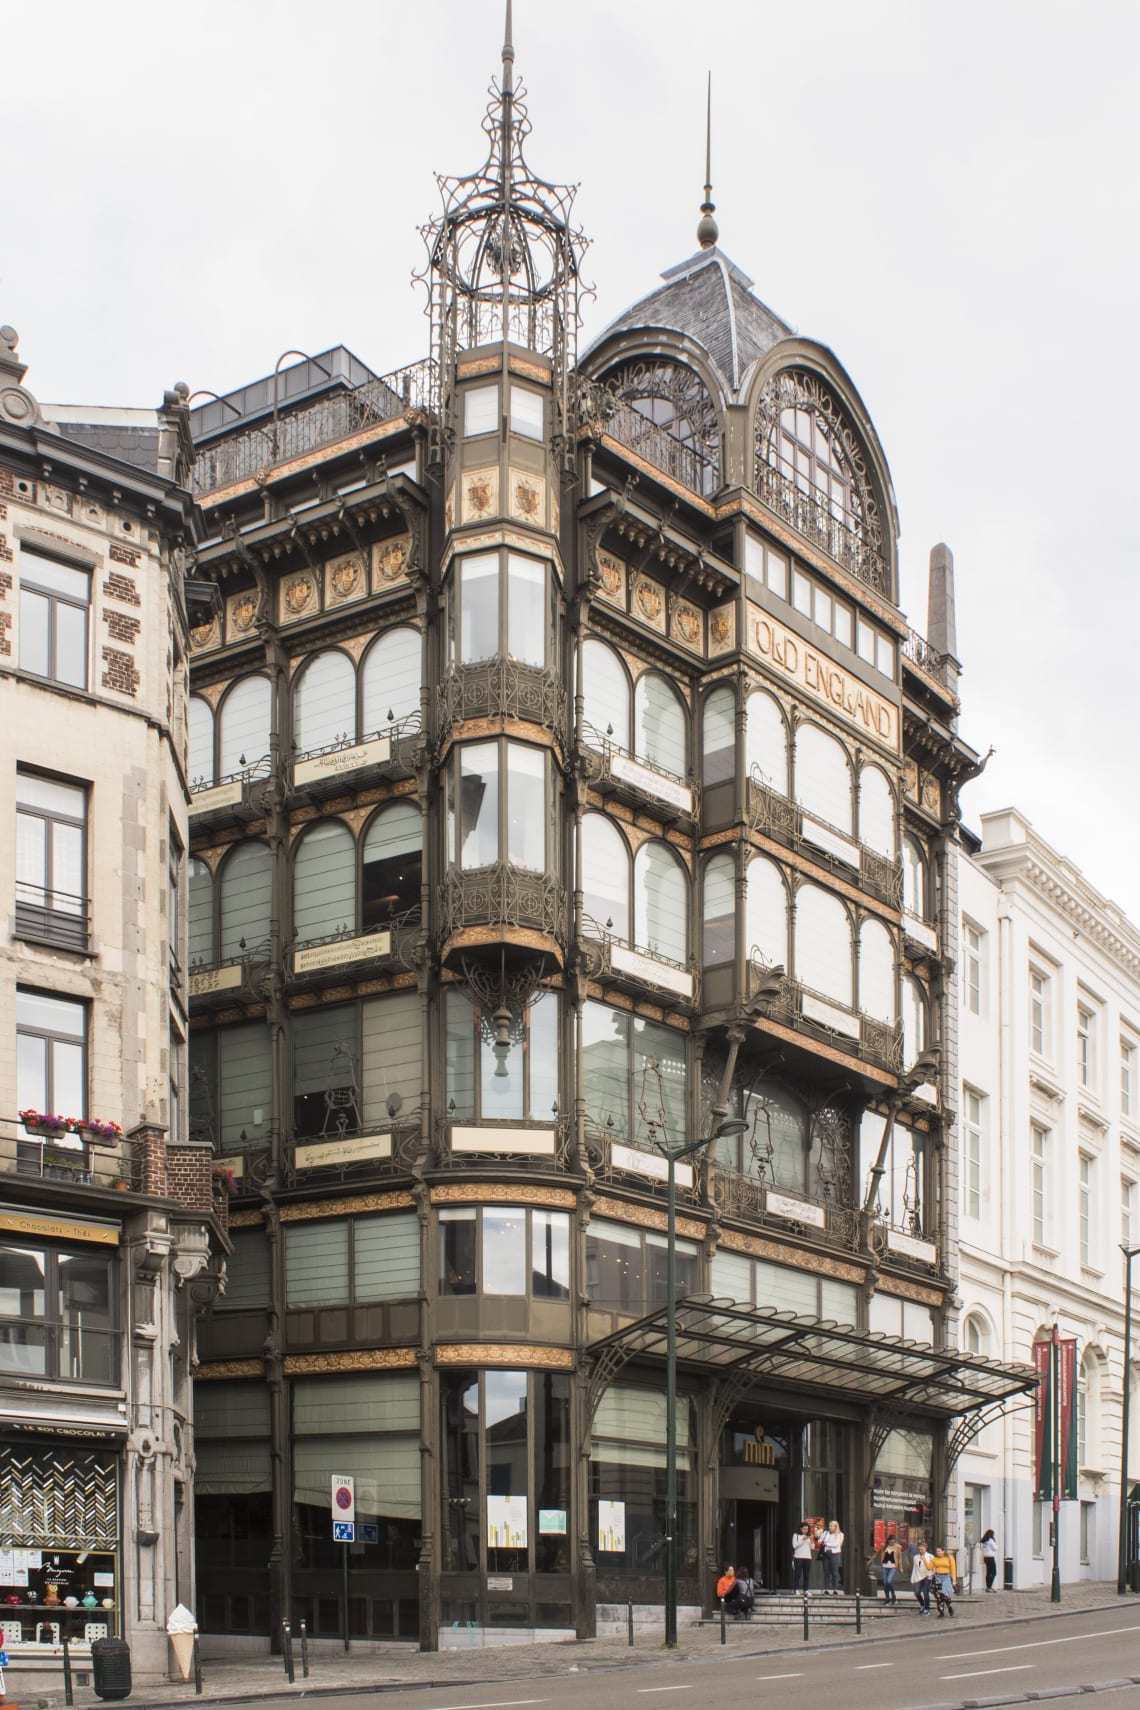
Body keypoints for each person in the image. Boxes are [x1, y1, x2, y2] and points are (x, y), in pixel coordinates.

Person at [930, 1543, 956, 1616]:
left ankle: (949, 1606)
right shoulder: (935, 1559)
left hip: (946, 1577)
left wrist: (954, 1580)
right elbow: (929, 1567)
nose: (938, 1552)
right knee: (938, 1595)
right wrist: (924, 1560)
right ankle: (941, 1611)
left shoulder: (949, 1558)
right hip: (937, 1577)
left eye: (939, 1551)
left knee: (945, 1594)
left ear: (943, 1551)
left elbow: (953, 1570)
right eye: (937, 1551)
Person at [821, 1519, 844, 1595]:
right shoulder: (826, 1533)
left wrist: (826, 1544)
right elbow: (820, 1541)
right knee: (826, 1572)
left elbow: (836, 1544)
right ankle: (826, 1589)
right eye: (829, 1526)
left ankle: (835, 1589)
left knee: (834, 1571)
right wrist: (820, 1536)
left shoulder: (840, 1534)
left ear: (836, 1527)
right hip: (826, 1553)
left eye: (832, 1526)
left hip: (835, 1554)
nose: (830, 1527)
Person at [911, 1539, 933, 1614]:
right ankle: (922, 1604)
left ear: (925, 1548)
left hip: (927, 1576)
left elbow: (932, 1568)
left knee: (925, 1592)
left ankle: (927, 1607)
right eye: (919, 1549)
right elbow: (914, 1568)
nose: (920, 1550)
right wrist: (913, 1579)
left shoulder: (930, 1556)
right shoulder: (915, 1557)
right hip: (918, 1577)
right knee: (917, 1592)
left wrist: (931, 1576)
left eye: (922, 1549)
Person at [792, 1522, 814, 1593]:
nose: (805, 1531)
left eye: (807, 1529)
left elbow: (812, 1547)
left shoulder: (808, 1536)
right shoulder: (796, 1535)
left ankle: (806, 1590)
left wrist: (811, 1540)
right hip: (798, 1557)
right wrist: (803, 1540)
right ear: (800, 1529)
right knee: (797, 1574)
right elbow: (794, 1546)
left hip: (807, 1557)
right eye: (804, 1529)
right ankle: (796, 1589)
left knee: (806, 1575)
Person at [880, 1536, 899, 1606]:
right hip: (884, 1567)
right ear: (888, 1541)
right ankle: (887, 1599)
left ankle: (893, 1596)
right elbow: (878, 1554)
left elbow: (899, 1558)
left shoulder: (897, 1548)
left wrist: (900, 1567)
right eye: (891, 1541)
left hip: (893, 1567)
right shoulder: (884, 1547)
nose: (892, 1542)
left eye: (893, 1541)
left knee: (889, 1581)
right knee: (885, 1583)